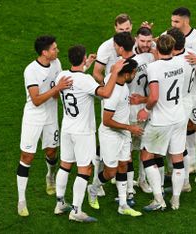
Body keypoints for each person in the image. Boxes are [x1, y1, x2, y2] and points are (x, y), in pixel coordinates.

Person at [54, 45, 126, 222]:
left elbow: (77, 78)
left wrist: (86, 65)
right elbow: (106, 93)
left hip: (67, 128)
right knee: (84, 169)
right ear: (83, 57)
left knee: (65, 165)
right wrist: (115, 72)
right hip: (83, 132)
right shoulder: (86, 80)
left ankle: (60, 203)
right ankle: (76, 211)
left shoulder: (62, 76)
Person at [16, 35, 72, 217]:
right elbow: (36, 100)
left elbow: (60, 88)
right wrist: (57, 88)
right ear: (44, 52)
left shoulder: (56, 64)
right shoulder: (31, 71)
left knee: (51, 152)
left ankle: (50, 177)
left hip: (51, 116)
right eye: (54, 49)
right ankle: (21, 200)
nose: (58, 51)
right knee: (27, 156)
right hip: (33, 117)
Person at [87, 58, 143, 217]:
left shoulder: (116, 81)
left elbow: (109, 73)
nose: (135, 75)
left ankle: (123, 204)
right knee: (110, 172)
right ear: (126, 75)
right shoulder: (113, 94)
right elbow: (107, 121)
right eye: (133, 72)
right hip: (111, 134)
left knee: (124, 165)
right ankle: (93, 188)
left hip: (123, 134)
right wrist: (129, 127)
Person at [137, 34, 186, 211]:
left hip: (161, 120)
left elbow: (155, 97)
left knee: (146, 156)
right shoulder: (181, 63)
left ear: (157, 49)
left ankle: (158, 199)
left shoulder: (153, 67)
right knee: (177, 158)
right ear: (173, 49)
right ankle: (176, 200)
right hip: (179, 116)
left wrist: (146, 110)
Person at [166, 28, 196, 193]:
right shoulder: (182, 54)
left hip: (195, 96)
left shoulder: (187, 57)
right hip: (182, 99)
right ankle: (191, 163)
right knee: (186, 128)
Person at [92, 13, 133, 196]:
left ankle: (125, 193)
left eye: (127, 29)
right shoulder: (106, 48)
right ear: (115, 29)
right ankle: (98, 180)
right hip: (113, 94)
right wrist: (108, 90)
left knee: (126, 150)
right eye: (121, 29)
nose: (124, 32)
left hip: (126, 97)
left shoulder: (133, 45)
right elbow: (97, 72)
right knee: (109, 135)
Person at [113, 30, 155, 203]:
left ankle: (132, 187)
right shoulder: (149, 58)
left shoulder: (122, 65)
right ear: (135, 41)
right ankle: (138, 183)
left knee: (129, 150)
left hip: (130, 113)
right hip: (146, 109)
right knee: (142, 148)